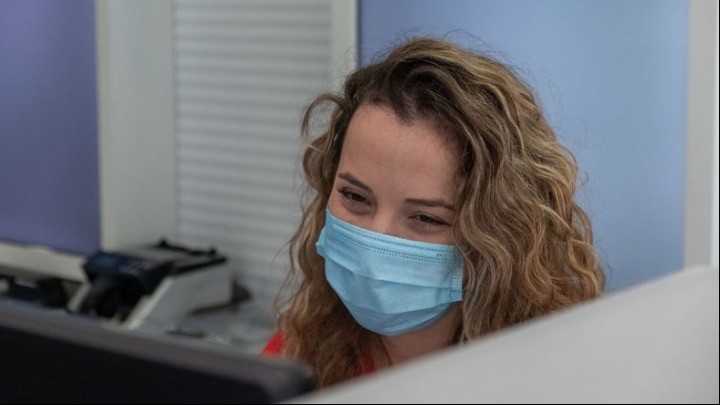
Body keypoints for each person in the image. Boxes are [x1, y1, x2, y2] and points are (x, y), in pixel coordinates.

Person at [262, 37, 605, 388]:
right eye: (354, 196)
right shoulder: (298, 356)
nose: (376, 237)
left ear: (499, 233)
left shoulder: (554, 380)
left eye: (427, 218)